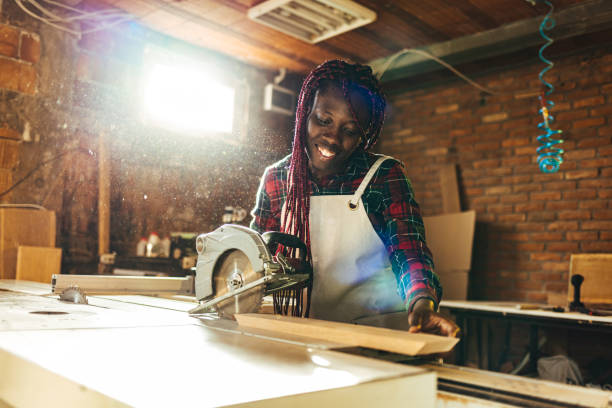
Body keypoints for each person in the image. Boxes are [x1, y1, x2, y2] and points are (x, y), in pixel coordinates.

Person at [250, 60, 458, 337]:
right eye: (324, 121)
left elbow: (409, 250)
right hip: (301, 334)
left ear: (364, 136)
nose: (333, 139)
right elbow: (254, 257)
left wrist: (422, 302)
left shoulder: (383, 176)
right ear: (304, 113)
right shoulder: (277, 179)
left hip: (374, 333)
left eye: (349, 131)